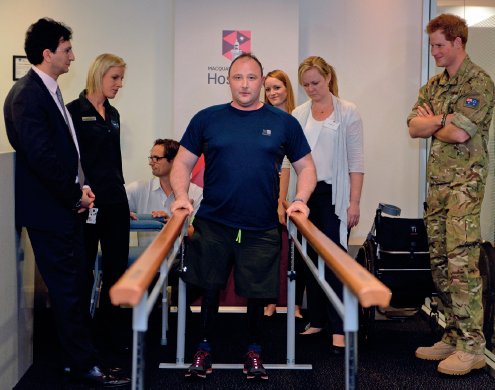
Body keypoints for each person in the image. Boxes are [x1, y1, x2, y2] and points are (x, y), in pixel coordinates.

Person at [170, 53, 317, 381]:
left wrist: (300, 200)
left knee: (257, 292)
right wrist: (181, 196)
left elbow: (306, 167)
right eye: (239, 78)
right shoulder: (207, 119)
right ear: (229, 81)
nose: (245, 84)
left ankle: (254, 350)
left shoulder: (283, 122)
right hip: (214, 222)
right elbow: (180, 163)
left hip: (261, 225)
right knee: (208, 288)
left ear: (261, 82)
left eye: (252, 78)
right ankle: (203, 348)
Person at [3, 18, 129, 386]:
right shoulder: (28, 94)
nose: (73, 56)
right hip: (51, 211)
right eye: (67, 49)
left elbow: (66, 155)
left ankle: (81, 360)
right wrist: (75, 194)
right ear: (48, 53)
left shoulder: (49, 91)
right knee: (68, 291)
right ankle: (83, 365)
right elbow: (41, 158)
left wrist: (81, 190)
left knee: (74, 287)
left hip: (66, 208)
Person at [409, 14, 495, 375]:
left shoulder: (479, 82)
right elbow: (414, 126)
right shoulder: (433, 84)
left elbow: (461, 134)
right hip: (438, 190)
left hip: (464, 188)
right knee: (441, 265)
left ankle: (473, 346)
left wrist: (438, 121)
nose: (434, 52)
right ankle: (455, 334)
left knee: (461, 265)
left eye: (439, 45)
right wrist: (445, 120)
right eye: (431, 46)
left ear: (458, 42)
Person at [281, 56, 364, 355]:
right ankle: (317, 320)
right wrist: (284, 200)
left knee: (334, 261)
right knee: (309, 261)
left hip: (334, 196)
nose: (311, 89)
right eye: (305, 85)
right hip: (305, 196)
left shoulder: (348, 112)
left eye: (315, 82)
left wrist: (354, 202)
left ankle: (341, 328)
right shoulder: (298, 113)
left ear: (329, 77)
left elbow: (356, 163)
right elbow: (288, 161)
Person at [66, 54, 131, 353]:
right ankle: (82, 336)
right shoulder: (72, 112)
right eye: (114, 78)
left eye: (121, 78)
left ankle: (113, 332)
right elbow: (69, 161)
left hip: (115, 201)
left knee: (117, 269)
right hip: (86, 203)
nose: (119, 84)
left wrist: (121, 195)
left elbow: (113, 160)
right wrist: (79, 191)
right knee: (83, 270)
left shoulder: (114, 113)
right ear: (99, 75)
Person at [263, 70, 304, 319]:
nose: (272, 93)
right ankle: (268, 302)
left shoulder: (297, 119)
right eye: (268, 89)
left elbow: (290, 164)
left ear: (287, 89)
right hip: (265, 193)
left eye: (277, 87)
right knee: (269, 251)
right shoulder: (261, 119)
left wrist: (284, 200)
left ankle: (295, 304)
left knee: (298, 253)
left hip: (293, 195)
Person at [126, 138, 203, 247]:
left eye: (156, 158)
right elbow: (109, 207)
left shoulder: (197, 193)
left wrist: (173, 225)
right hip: (147, 260)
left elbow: (199, 236)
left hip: (181, 260)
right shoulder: (138, 189)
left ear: (174, 161)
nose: (150, 163)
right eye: (151, 158)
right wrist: (121, 212)